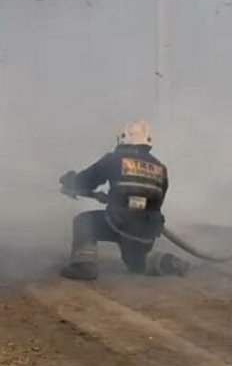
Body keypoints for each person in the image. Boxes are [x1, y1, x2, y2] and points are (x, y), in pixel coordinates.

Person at [58, 120, 189, 280]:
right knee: (136, 264)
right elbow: (155, 199)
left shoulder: (115, 159)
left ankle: (84, 266)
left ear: (122, 139)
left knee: (84, 222)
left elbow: (86, 181)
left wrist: (71, 180)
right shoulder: (160, 167)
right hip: (148, 228)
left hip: (120, 221)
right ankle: (171, 263)